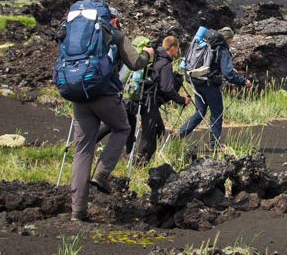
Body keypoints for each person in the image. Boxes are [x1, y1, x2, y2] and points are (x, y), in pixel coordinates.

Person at [67, 8, 153, 222]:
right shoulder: (115, 33)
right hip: (105, 94)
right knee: (122, 128)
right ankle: (102, 173)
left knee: (82, 151)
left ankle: (78, 211)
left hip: (79, 94)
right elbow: (135, 63)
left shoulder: (76, 34)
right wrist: (147, 55)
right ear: (114, 19)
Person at [177, 27, 251, 150]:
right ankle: (214, 144)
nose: (230, 43)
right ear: (227, 39)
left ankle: (179, 133)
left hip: (197, 83)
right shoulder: (222, 50)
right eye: (230, 41)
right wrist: (243, 82)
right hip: (210, 86)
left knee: (200, 112)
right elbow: (228, 75)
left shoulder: (204, 46)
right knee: (216, 113)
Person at [134, 35, 191, 164]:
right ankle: (140, 162)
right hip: (150, 102)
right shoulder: (165, 64)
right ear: (172, 48)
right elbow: (167, 89)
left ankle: (145, 160)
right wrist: (182, 100)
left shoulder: (155, 58)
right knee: (151, 132)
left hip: (145, 99)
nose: (177, 52)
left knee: (158, 129)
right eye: (177, 49)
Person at [96, 35, 153, 154]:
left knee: (128, 125)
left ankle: (129, 153)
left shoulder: (128, 54)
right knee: (117, 126)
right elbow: (135, 81)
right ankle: (128, 153)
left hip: (122, 96)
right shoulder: (139, 60)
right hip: (129, 98)